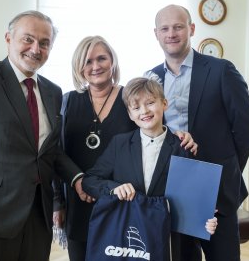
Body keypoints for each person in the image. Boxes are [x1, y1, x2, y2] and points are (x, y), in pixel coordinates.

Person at [0, 10, 90, 261]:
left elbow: (49, 152)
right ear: (8, 38)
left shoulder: (53, 92)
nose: (36, 49)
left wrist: (77, 177)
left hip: (38, 219)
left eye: (44, 43)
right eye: (28, 39)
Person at [53, 36, 197, 261]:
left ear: (113, 61)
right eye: (88, 61)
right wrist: (61, 198)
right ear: (78, 66)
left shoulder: (129, 98)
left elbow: (153, 130)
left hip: (126, 204)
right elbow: (55, 152)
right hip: (80, 199)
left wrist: (180, 135)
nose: (96, 66)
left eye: (102, 58)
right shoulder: (67, 101)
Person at [145, 4, 249, 261]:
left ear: (191, 29)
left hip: (216, 188)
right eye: (165, 28)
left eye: (178, 27)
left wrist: (227, 170)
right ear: (156, 34)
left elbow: (246, 125)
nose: (171, 33)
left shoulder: (221, 70)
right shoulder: (151, 78)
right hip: (170, 190)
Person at [81, 76, 218, 260]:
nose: (144, 111)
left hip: (172, 243)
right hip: (129, 243)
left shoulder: (184, 146)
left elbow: (195, 200)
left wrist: (206, 220)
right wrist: (114, 188)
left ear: (164, 103)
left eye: (150, 103)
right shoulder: (119, 144)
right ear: (130, 114)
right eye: (136, 107)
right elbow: (89, 181)